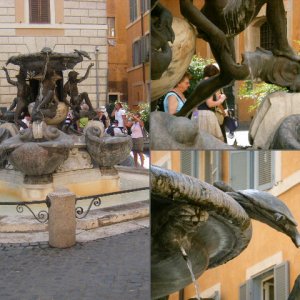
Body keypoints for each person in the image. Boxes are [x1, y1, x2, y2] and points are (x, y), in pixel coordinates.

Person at [193, 64, 227, 142]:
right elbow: (209, 104)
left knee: (199, 142)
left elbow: (195, 105)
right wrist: (221, 99)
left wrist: (195, 119)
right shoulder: (210, 84)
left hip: (197, 114)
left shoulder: (199, 83)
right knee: (212, 142)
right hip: (207, 115)